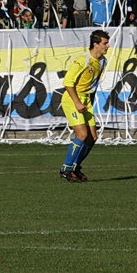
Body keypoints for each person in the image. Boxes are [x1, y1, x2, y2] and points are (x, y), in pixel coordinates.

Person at [58, 29, 110, 182]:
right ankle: (66, 169)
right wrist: (77, 102)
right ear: (96, 44)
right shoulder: (83, 60)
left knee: (93, 137)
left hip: (86, 100)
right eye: (105, 43)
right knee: (82, 134)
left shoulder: (102, 61)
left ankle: (75, 167)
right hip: (72, 99)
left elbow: (93, 85)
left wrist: (88, 103)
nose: (108, 46)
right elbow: (68, 82)